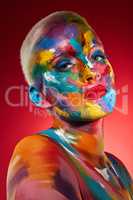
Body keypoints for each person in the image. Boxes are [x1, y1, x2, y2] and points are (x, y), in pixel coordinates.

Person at [7, 11, 133, 200]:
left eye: (97, 56)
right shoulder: (36, 153)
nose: (91, 72)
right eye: (64, 64)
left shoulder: (118, 169)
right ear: (39, 96)